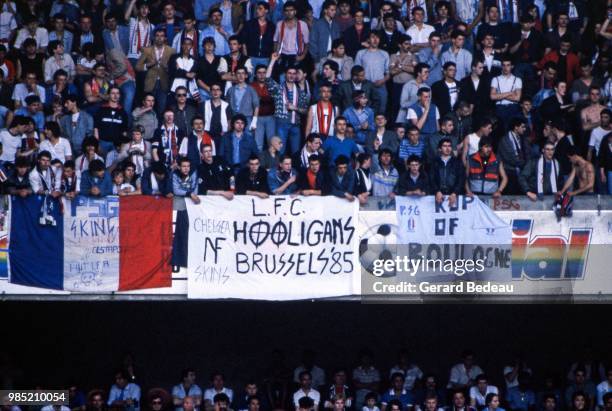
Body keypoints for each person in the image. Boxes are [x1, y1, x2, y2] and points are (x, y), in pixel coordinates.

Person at [265, 53, 309, 155]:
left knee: (296, 152)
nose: (292, 75)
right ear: (285, 74)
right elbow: (267, 79)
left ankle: (294, 170)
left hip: (296, 125)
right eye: (289, 73)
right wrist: (272, 61)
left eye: (294, 73)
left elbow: (305, 110)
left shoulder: (301, 92)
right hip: (281, 123)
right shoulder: (279, 88)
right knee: (280, 150)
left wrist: (295, 108)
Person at [355, 31, 389, 114]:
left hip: (380, 85)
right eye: (373, 37)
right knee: (364, 109)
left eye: (377, 37)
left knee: (381, 109)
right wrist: (364, 81)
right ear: (368, 40)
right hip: (365, 86)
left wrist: (382, 81)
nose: (375, 40)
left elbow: (388, 73)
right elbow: (356, 71)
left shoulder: (384, 54)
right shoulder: (361, 53)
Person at [273, 1, 310, 78]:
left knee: (296, 78)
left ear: (295, 11)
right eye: (286, 10)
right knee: (282, 78)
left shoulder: (302, 25)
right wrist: (277, 54)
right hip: (283, 55)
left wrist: (302, 56)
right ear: (284, 12)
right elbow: (275, 41)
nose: (289, 12)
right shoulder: (280, 24)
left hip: (296, 56)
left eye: (291, 10)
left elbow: (307, 43)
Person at [490, 55, 521, 132]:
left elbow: (517, 98)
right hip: (500, 108)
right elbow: (492, 96)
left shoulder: (517, 80)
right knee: (500, 132)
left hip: (513, 108)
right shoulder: (495, 79)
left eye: (508, 65)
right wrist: (510, 93)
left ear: (512, 66)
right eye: (503, 65)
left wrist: (500, 95)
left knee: (512, 131)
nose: (505, 68)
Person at [429, 138, 464, 207]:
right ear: (439, 149)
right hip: (438, 195)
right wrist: (437, 191)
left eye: (449, 146)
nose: (447, 148)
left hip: (453, 195)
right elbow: (431, 178)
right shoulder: (434, 162)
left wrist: (455, 193)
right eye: (445, 146)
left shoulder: (457, 162)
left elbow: (461, 179)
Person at [498, 117, 529, 195]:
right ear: (516, 127)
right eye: (522, 127)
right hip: (509, 173)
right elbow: (511, 159)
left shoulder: (523, 139)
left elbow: (527, 153)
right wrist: (525, 164)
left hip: (520, 172)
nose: (524, 129)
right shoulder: (505, 140)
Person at [94, 86, 129, 154]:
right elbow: (96, 129)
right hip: (103, 142)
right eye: (113, 93)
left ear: (120, 95)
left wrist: (121, 145)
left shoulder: (123, 112)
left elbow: (124, 131)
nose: (115, 96)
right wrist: (97, 144)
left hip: (117, 145)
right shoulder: (101, 109)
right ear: (108, 95)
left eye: (117, 93)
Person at [251, 64, 276, 152]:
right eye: (259, 73)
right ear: (255, 74)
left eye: (264, 73)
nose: (262, 75)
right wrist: (266, 98)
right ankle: (258, 164)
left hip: (271, 117)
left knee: (272, 143)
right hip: (257, 117)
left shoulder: (271, 85)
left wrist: (261, 99)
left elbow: (274, 98)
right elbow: (252, 102)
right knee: (258, 144)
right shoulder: (252, 86)